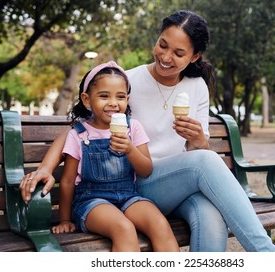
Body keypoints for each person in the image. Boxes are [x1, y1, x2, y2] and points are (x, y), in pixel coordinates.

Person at [20, 10, 275, 252]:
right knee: (206, 160)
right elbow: (79, 130)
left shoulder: (197, 86)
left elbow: (195, 154)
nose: (166, 57)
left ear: (195, 57)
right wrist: (46, 167)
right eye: (163, 45)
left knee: (211, 218)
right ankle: (268, 255)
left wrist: (199, 140)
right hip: (135, 181)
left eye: (178, 53)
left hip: (176, 186)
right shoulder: (127, 82)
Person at [50, 61, 179, 252]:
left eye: (120, 97)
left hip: (128, 197)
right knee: (124, 228)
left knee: (159, 223)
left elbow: (146, 170)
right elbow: (68, 181)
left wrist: (130, 150)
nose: (113, 103)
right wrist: (65, 220)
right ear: (87, 100)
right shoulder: (79, 134)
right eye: (104, 96)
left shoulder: (132, 128)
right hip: (91, 202)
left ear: (127, 99)